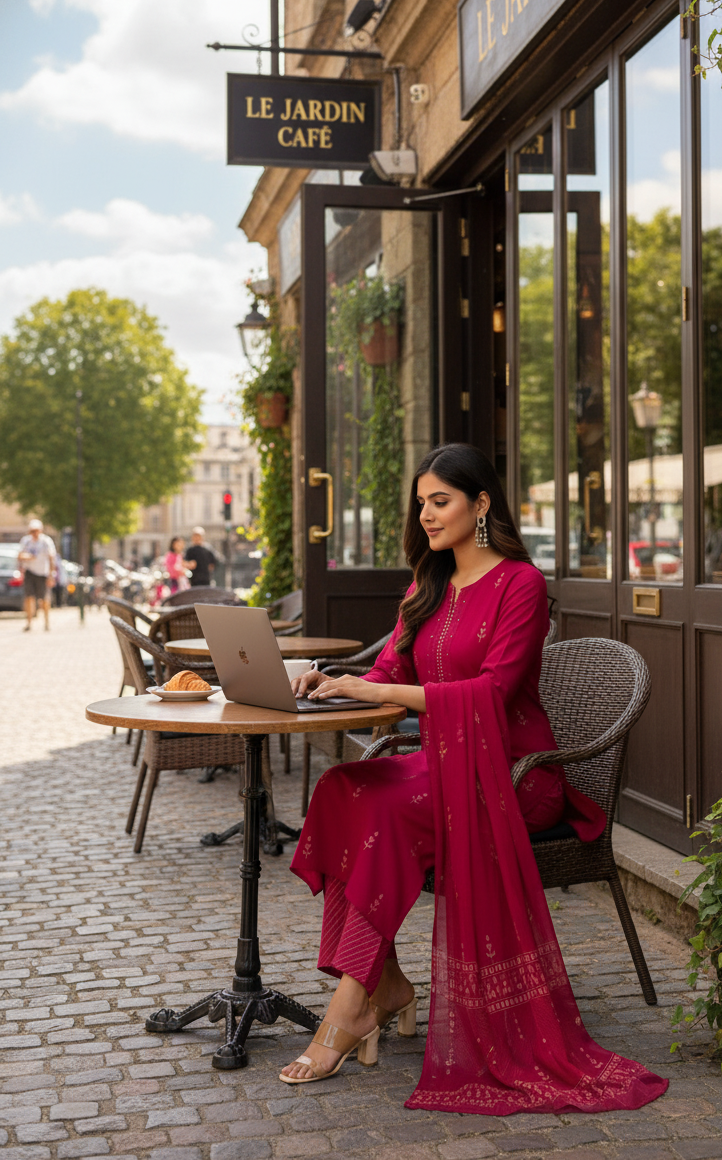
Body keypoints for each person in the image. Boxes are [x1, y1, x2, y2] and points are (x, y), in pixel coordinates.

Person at [280, 443, 668, 1115]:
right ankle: (388, 982)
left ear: (481, 503)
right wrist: (328, 685)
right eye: (421, 502)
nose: (426, 514)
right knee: (345, 790)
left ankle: (350, 1010)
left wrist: (369, 687)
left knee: (388, 812)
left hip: (515, 774)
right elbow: (392, 677)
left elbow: (492, 692)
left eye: (441, 500)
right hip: (442, 764)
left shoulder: (520, 584)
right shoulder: (427, 583)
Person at [18, 519, 56, 632]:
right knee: (29, 598)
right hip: (29, 571)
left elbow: (51, 558)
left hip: (42, 573)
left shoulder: (46, 541)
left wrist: (51, 575)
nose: (34, 533)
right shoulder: (26, 541)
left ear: (41, 530)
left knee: (44, 599)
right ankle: (29, 623)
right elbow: (20, 555)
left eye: (36, 531)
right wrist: (29, 557)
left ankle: (47, 622)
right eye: (32, 531)